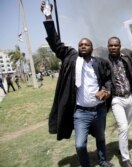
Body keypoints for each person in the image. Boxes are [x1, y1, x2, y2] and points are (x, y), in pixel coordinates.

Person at [40, 2, 114, 167]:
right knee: (80, 144)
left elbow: (108, 81)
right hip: (81, 112)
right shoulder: (71, 57)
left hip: (99, 110)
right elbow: (55, 42)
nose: (83, 46)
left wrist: (105, 91)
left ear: (91, 47)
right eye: (80, 44)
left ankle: (103, 161)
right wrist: (48, 16)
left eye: (86, 44)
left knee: (101, 138)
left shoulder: (100, 63)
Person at [106, 37, 132, 167]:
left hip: (129, 98)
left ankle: (121, 146)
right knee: (123, 127)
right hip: (116, 99)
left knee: (126, 126)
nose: (113, 47)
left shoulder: (127, 55)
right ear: (108, 47)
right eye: (111, 45)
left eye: (116, 45)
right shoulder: (105, 62)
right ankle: (125, 159)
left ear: (120, 46)